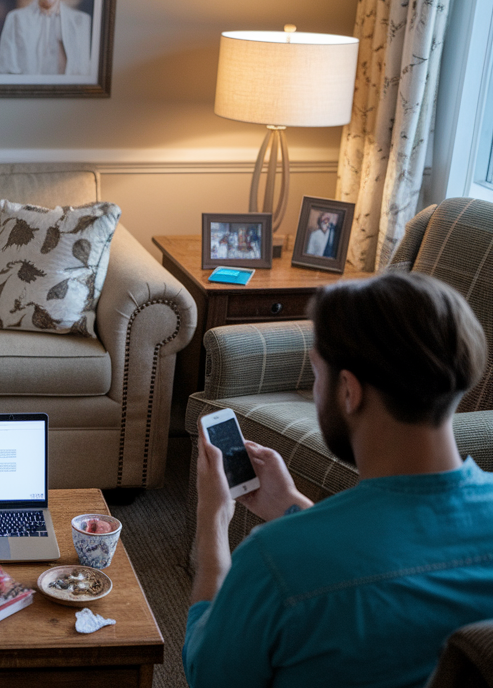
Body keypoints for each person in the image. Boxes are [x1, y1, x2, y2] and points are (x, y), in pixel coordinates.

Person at [185, 272, 493, 688]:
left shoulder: (276, 560)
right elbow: (396, 562)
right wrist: (290, 506)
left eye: (317, 374)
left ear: (349, 390)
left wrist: (213, 521)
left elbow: (209, 675)